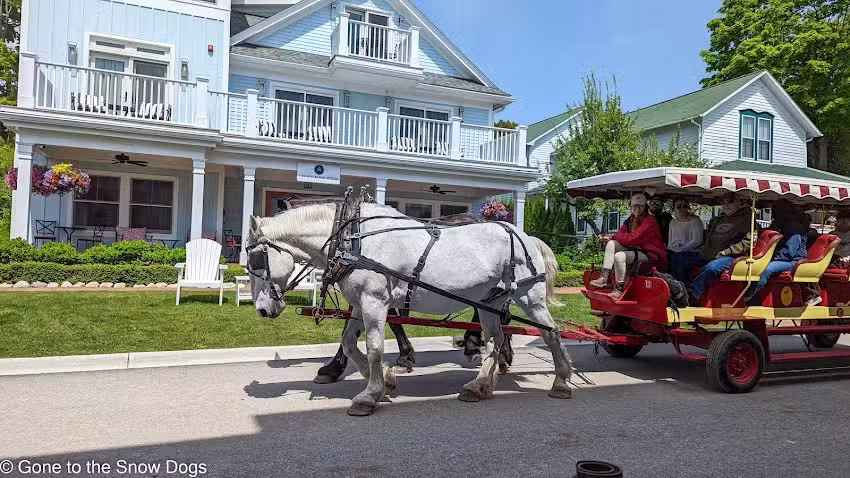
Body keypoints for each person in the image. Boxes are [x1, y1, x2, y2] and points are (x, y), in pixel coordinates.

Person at [589, 193, 667, 300]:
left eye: (640, 206)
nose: (637, 208)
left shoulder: (650, 221)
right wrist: (609, 238)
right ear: (631, 207)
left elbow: (633, 239)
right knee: (611, 244)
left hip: (650, 254)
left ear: (645, 207)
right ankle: (604, 278)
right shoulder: (630, 220)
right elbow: (621, 234)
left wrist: (612, 236)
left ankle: (619, 289)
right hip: (635, 250)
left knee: (619, 256)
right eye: (635, 206)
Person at [689, 192, 756, 303]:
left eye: (730, 202)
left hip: (732, 258)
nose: (726, 205)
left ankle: (693, 294)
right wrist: (704, 249)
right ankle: (680, 289)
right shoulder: (718, 219)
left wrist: (727, 251)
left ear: (738, 203)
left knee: (712, 268)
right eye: (723, 202)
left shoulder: (747, 219)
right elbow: (709, 238)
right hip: (710, 254)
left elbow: (748, 242)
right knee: (680, 258)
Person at [744, 199, 808, 306]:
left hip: (794, 261)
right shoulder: (780, 226)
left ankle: (751, 295)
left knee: (766, 268)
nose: (773, 215)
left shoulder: (794, 228)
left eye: (776, 211)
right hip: (782, 258)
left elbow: (789, 252)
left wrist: (768, 258)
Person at [667, 198, 705, 282]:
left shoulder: (695, 220)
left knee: (678, 259)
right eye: (678, 206)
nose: (681, 208)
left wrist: (680, 250)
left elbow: (697, 241)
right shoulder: (673, 222)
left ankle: (682, 284)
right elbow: (670, 241)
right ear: (674, 208)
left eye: (684, 206)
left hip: (692, 252)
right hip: (674, 250)